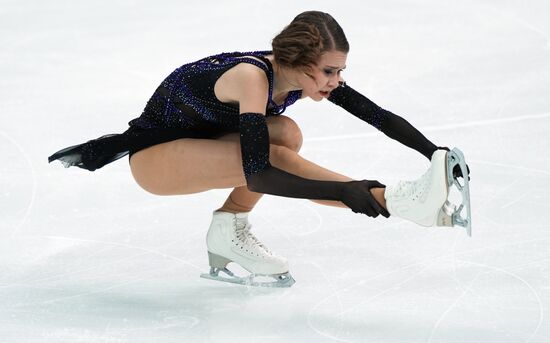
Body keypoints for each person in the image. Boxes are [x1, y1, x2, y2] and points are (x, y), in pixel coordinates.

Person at [49, 11, 470, 287]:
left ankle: (228, 229)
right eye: (329, 71)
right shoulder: (253, 77)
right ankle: (398, 200)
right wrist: (354, 191)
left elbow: (376, 115)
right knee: (276, 151)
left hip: (201, 142)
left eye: (340, 71)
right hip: (156, 159)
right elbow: (261, 174)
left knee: (285, 131)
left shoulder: (299, 76)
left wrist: (436, 154)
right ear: (300, 60)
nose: (336, 81)